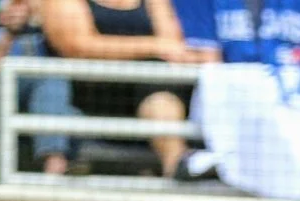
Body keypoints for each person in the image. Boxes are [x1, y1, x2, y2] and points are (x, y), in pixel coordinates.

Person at [36, 0, 200, 179]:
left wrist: (157, 49)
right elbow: (77, 46)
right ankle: (179, 165)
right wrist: (153, 46)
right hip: (93, 96)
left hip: (154, 91)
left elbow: (174, 43)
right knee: (155, 78)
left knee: (159, 85)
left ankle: (178, 165)